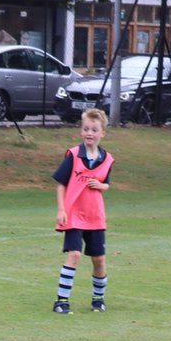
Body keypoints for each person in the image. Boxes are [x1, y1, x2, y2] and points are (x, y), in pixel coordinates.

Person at [51, 108, 113, 314]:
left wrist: (102, 186)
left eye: (94, 130)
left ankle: (98, 299)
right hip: (74, 214)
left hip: (95, 216)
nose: (89, 133)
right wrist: (61, 209)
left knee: (99, 259)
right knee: (75, 255)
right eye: (86, 128)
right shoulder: (74, 155)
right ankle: (61, 301)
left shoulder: (107, 159)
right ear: (81, 131)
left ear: (102, 133)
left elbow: (107, 184)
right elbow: (61, 183)